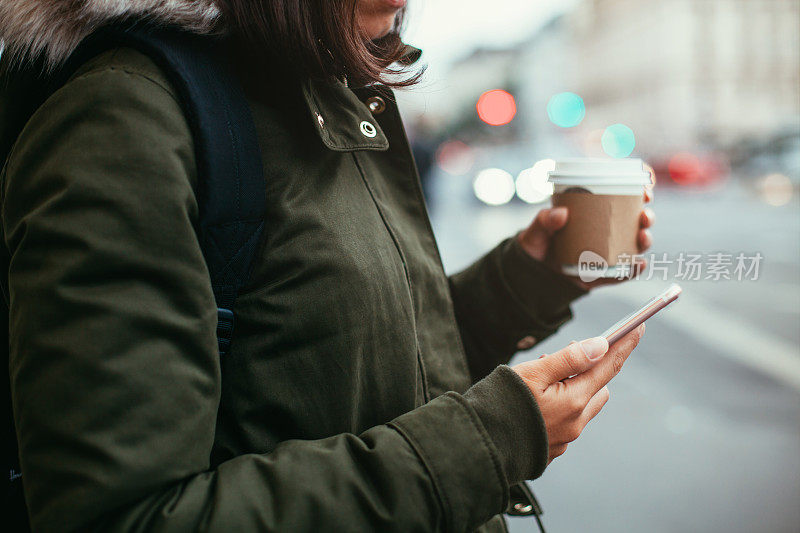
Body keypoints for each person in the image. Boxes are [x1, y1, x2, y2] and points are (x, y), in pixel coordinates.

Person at [0, 0, 655, 531]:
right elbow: (128, 515)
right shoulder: (126, 117)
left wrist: (531, 276)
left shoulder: (328, 86)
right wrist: (488, 440)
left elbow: (362, 363)